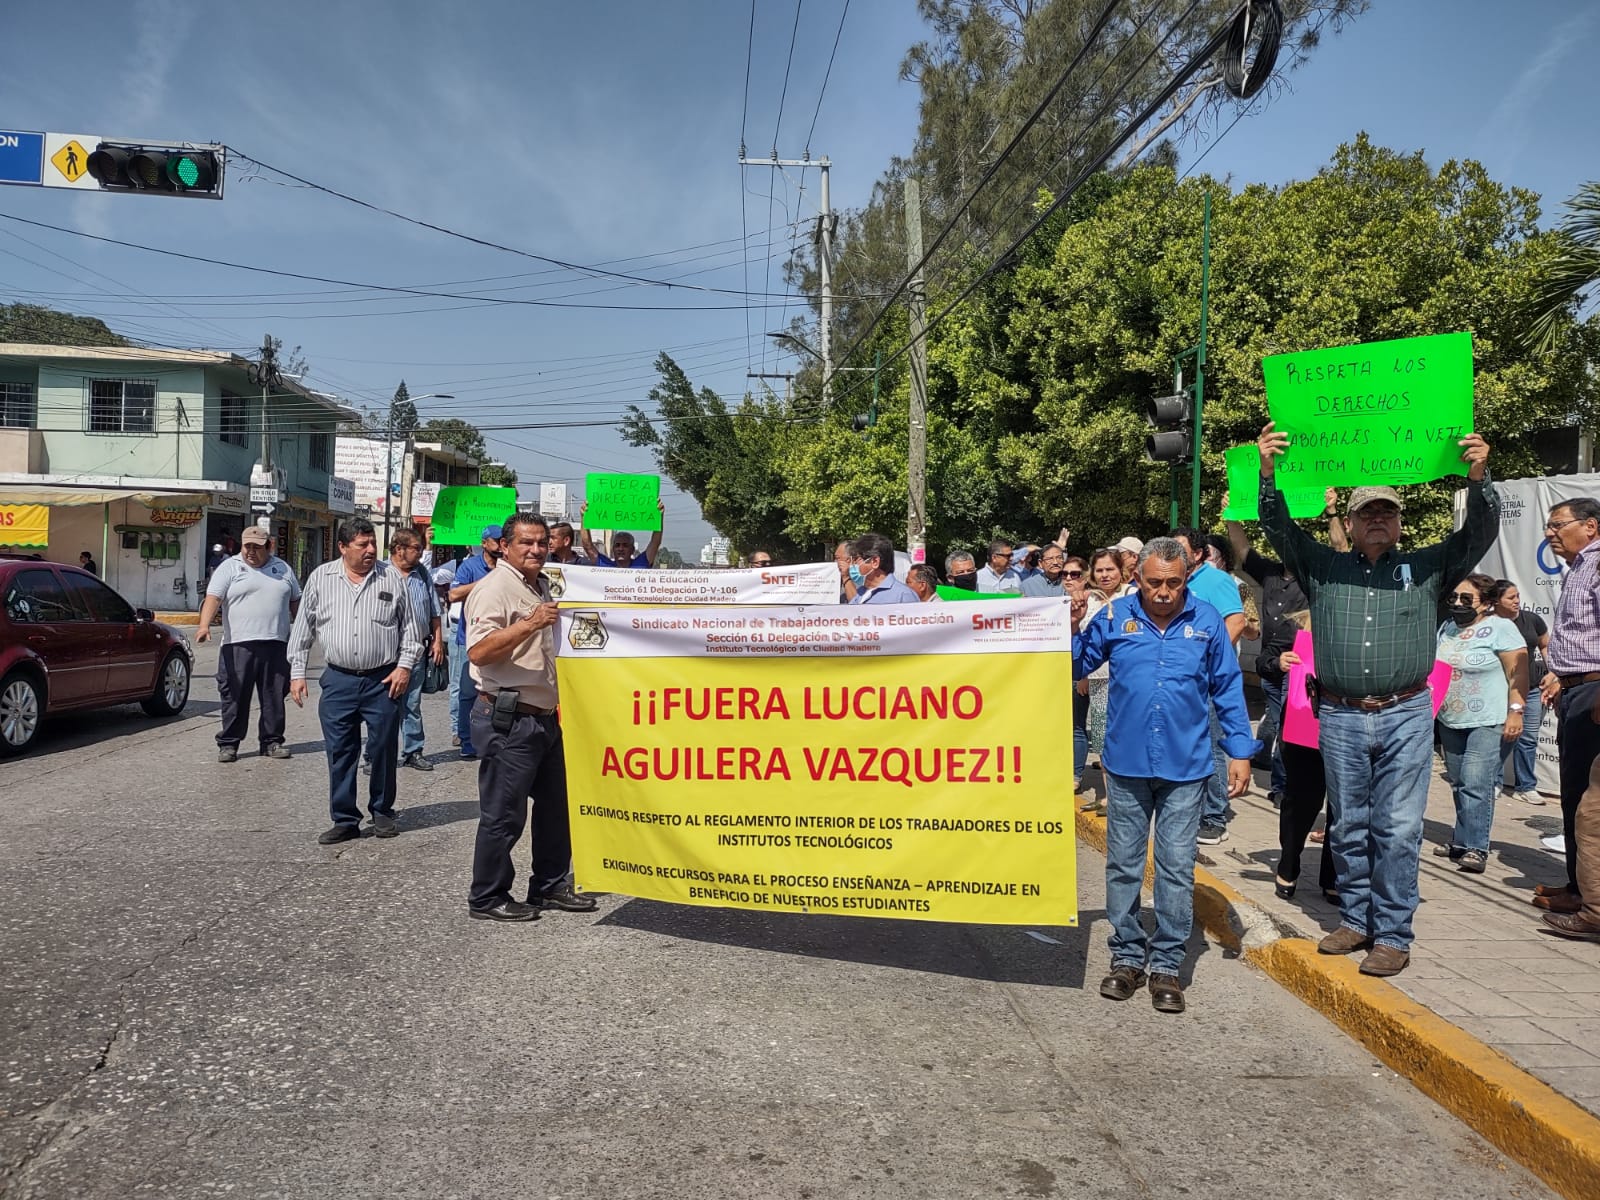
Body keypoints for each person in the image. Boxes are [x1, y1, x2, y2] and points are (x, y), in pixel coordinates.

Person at [1257, 421, 1498, 977]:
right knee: (1349, 823)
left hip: (1406, 713)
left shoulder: (1428, 567)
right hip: (1339, 714)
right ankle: (1357, 918)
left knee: (1398, 826)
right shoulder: (1324, 566)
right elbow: (1278, 526)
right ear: (1352, 520)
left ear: (1398, 523)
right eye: (1367, 512)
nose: (1377, 520)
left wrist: (1478, 475)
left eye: (1386, 512)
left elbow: (1479, 532)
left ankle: (1392, 932)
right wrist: (1269, 472)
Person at [1072, 537, 1257, 1014]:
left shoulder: (1207, 622)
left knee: (1175, 867)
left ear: (1186, 579)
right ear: (1138, 579)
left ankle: (1167, 965)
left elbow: (1227, 689)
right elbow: (1076, 663)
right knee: (1124, 864)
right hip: (1127, 764)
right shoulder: (1114, 618)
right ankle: (1127, 957)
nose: (1163, 592)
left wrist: (1240, 750)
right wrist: (1071, 628)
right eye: (1153, 582)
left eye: (1173, 583)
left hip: (1186, 766)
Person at [465, 512, 598, 922]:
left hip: (545, 718)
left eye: (541, 542)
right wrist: (530, 623)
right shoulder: (493, 589)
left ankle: (549, 885)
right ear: (504, 546)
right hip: (508, 717)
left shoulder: (542, 583)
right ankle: (487, 897)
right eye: (526, 543)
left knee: (556, 808)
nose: (536, 550)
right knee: (504, 814)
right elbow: (479, 652)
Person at [287, 517, 422, 845]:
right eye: (363, 545)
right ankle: (345, 819)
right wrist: (297, 672)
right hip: (338, 681)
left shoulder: (391, 577)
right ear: (343, 547)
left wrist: (404, 667)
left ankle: (382, 811)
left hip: (383, 680)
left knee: (383, 747)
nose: (371, 550)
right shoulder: (322, 578)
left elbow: (411, 631)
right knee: (340, 750)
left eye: (373, 543)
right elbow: (303, 627)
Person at [1226, 487, 1346, 808]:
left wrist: (1332, 512)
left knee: (1296, 730)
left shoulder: (1316, 576)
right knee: (1280, 726)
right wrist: (1232, 515)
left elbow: (1341, 549)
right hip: (1271, 664)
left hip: (1304, 668)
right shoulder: (1268, 572)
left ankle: (1294, 788)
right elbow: (1242, 548)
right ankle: (1281, 788)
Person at [1431, 573, 1527, 874]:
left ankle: (1476, 846)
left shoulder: (1501, 628)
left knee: (1476, 781)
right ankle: (1460, 839)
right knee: (1459, 782)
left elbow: (1519, 673)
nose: (1458, 604)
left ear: (1485, 603)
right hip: (1452, 719)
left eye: (1466, 599)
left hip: (1490, 719)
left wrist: (1516, 711)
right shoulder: (1447, 629)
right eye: (1454, 598)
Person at [1533, 497, 1600, 919]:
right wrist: (1560, 675)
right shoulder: (1579, 567)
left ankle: (1591, 899)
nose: (1550, 533)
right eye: (1548, 525)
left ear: (1591, 526)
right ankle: (1579, 886)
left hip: (1595, 693)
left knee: (1591, 803)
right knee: (1574, 795)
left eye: (1558, 525)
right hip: (1576, 690)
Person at [1170, 527, 1247, 845]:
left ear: (1199, 554)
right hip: (1181, 681)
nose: (1171, 554)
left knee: (1213, 745)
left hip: (1208, 681)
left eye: (1179, 549)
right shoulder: (1176, 581)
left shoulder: (1216, 581)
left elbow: (1237, 621)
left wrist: (1211, 661)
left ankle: (1215, 816)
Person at [197, 526, 301, 762]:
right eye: (247, 547)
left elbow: (296, 601)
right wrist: (203, 626)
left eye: (257, 547)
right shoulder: (230, 567)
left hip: (276, 643)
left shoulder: (282, 568)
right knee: (234, 696)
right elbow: (213, 597)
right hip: (238, 645)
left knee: (274, 697)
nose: (251, 552)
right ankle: (229, 744)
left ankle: (272, 742)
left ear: (269, 546)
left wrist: (306, 629)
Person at [1263, 611, 1337, 902]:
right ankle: (1289, 862)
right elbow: (1264, 661)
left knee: (1344, 806)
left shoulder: (1367, 625)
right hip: (1304, 724)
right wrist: (1279, 662)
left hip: (1350, 725)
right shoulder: (1296, 624)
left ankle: (1333, 875)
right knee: (1301, 801)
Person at [368, 530, 446, 774]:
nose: (420, 552)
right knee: (381, 705)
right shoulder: (379, 573)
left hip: (417, 649)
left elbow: (434, 610)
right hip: (385, 651)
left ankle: (413, 751)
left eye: (420, 548)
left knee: (412, 703)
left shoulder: (421, 574)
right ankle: (375, 754)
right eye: (415, 547)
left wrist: (437, 641)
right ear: (398, 548)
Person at [449, 526, 505, 760]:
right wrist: (487, 582)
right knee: (468, 693)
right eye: (496, 541)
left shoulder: (508, 567)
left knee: (499, 691)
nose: (501, 545)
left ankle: (494, 737)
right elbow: (453, 594)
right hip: (469, 640)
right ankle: (466, 739)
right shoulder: (470, 567)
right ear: (484, 543)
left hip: (500, 640)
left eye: (504, 540)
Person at [1491, 580, 1549, 807]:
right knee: (1500, 736)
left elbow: (1545, 644)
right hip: (1501, 689)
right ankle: (1493, 781)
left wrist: (1553, 671)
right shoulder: (1490, 623)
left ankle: (1526, 787)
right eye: (1511, 598)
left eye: (1517, 596)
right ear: (1496, 602)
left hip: (1532, 689)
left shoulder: (1532, 620)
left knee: (1528, 738)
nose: (1517, 601)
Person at [580, 501, 664, 567]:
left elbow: (655, 543)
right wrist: (584, 517)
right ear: (613, 549)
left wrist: (659, 516)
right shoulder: (606, 566)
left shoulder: (641, 564)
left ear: (632, 550)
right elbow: (588, 546)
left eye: (625, 545)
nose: (621, 548)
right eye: (617, 545)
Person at [847, 533, 919, 604]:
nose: (853, 565)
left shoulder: (903, 595)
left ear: (875, 562)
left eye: (857, 559)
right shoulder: (859, 594)